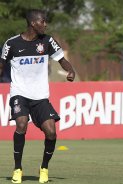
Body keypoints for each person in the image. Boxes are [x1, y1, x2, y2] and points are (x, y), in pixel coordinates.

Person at [0, 9, 75, 183]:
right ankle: (17, 169)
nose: (45, 24)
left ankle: (44, 168)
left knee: (51, 132)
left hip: (40, 96)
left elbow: (62, 59)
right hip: (19, 93)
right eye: (43, 21)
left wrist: (70, 70)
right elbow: (1, 65)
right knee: (21, 124)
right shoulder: (11, 44)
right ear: (33, 23)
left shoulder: (48, 41)